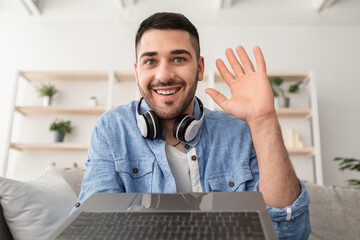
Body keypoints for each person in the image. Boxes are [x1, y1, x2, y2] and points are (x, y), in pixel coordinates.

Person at [72, 12, 311, 239]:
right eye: (150, 61)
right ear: (137, 72)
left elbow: (288, 233)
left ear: (199, 68)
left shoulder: (237, 132)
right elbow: (93, 228)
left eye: (178, 59)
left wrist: (264, 121)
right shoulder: (112, 129)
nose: (164, 75)